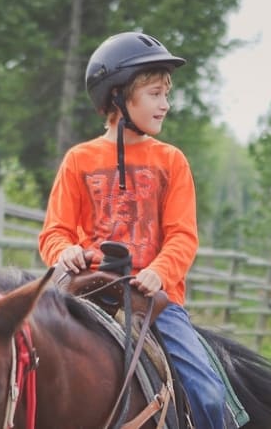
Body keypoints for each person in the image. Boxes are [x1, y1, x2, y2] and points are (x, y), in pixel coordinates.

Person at [38, 31, 226, 428]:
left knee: (209, 393)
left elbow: (182, 234)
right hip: (87, 292)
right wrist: (64, 252)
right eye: (156, 94)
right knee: (27, 364)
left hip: (154, 302)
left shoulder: (171, 161)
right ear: (120, 96)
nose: (166, 105)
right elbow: (54, 232)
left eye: (166, 94)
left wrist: (159, 272)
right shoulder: (78, 160)